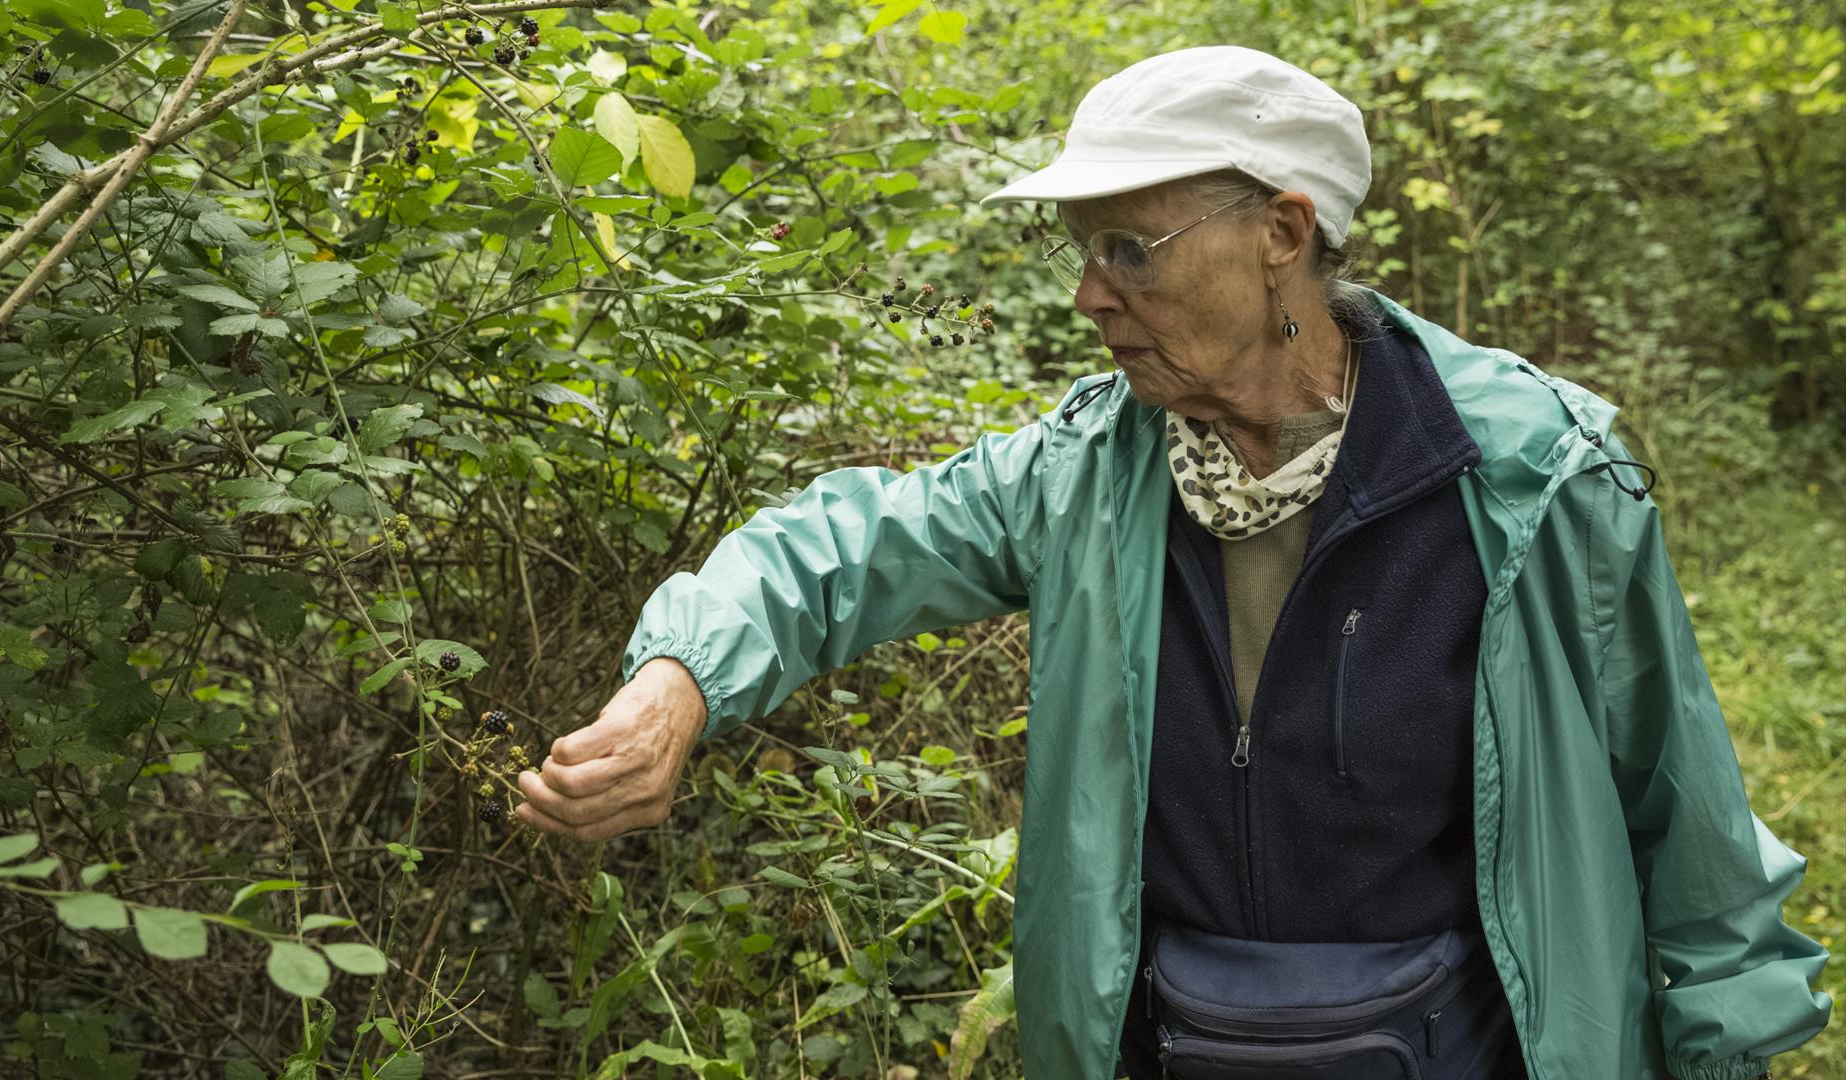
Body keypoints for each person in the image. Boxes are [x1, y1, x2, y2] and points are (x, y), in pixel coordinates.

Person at [514, 46, 1832, 1080]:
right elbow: (846, 545)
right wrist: (681, 674)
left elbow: (1683, 805)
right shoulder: (1088, 473)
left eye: (1125, 247)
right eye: (1077, 249)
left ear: (1281, 235)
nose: (1088, 293)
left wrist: (1723, 1042)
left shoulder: (1536, 479)